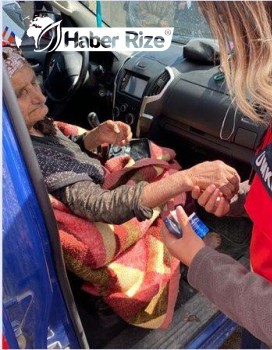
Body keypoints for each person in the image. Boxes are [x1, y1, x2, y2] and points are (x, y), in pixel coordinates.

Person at [159, 2, 272, 348]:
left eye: (231, 35)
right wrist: (239, 199)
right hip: (261, 300)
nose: (228, 51)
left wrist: (199, 260)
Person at [3, 44, 239, 225]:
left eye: (34, 82)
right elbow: (101, 205)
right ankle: (188, 233)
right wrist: (188, 178)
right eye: (20, 94)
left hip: (99, 172)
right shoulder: (32, 158)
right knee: (169, 174)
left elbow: (65, 153)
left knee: (157, 154)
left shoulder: (33, 125)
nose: (40, 97)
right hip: (106, 199)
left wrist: (93, 138)